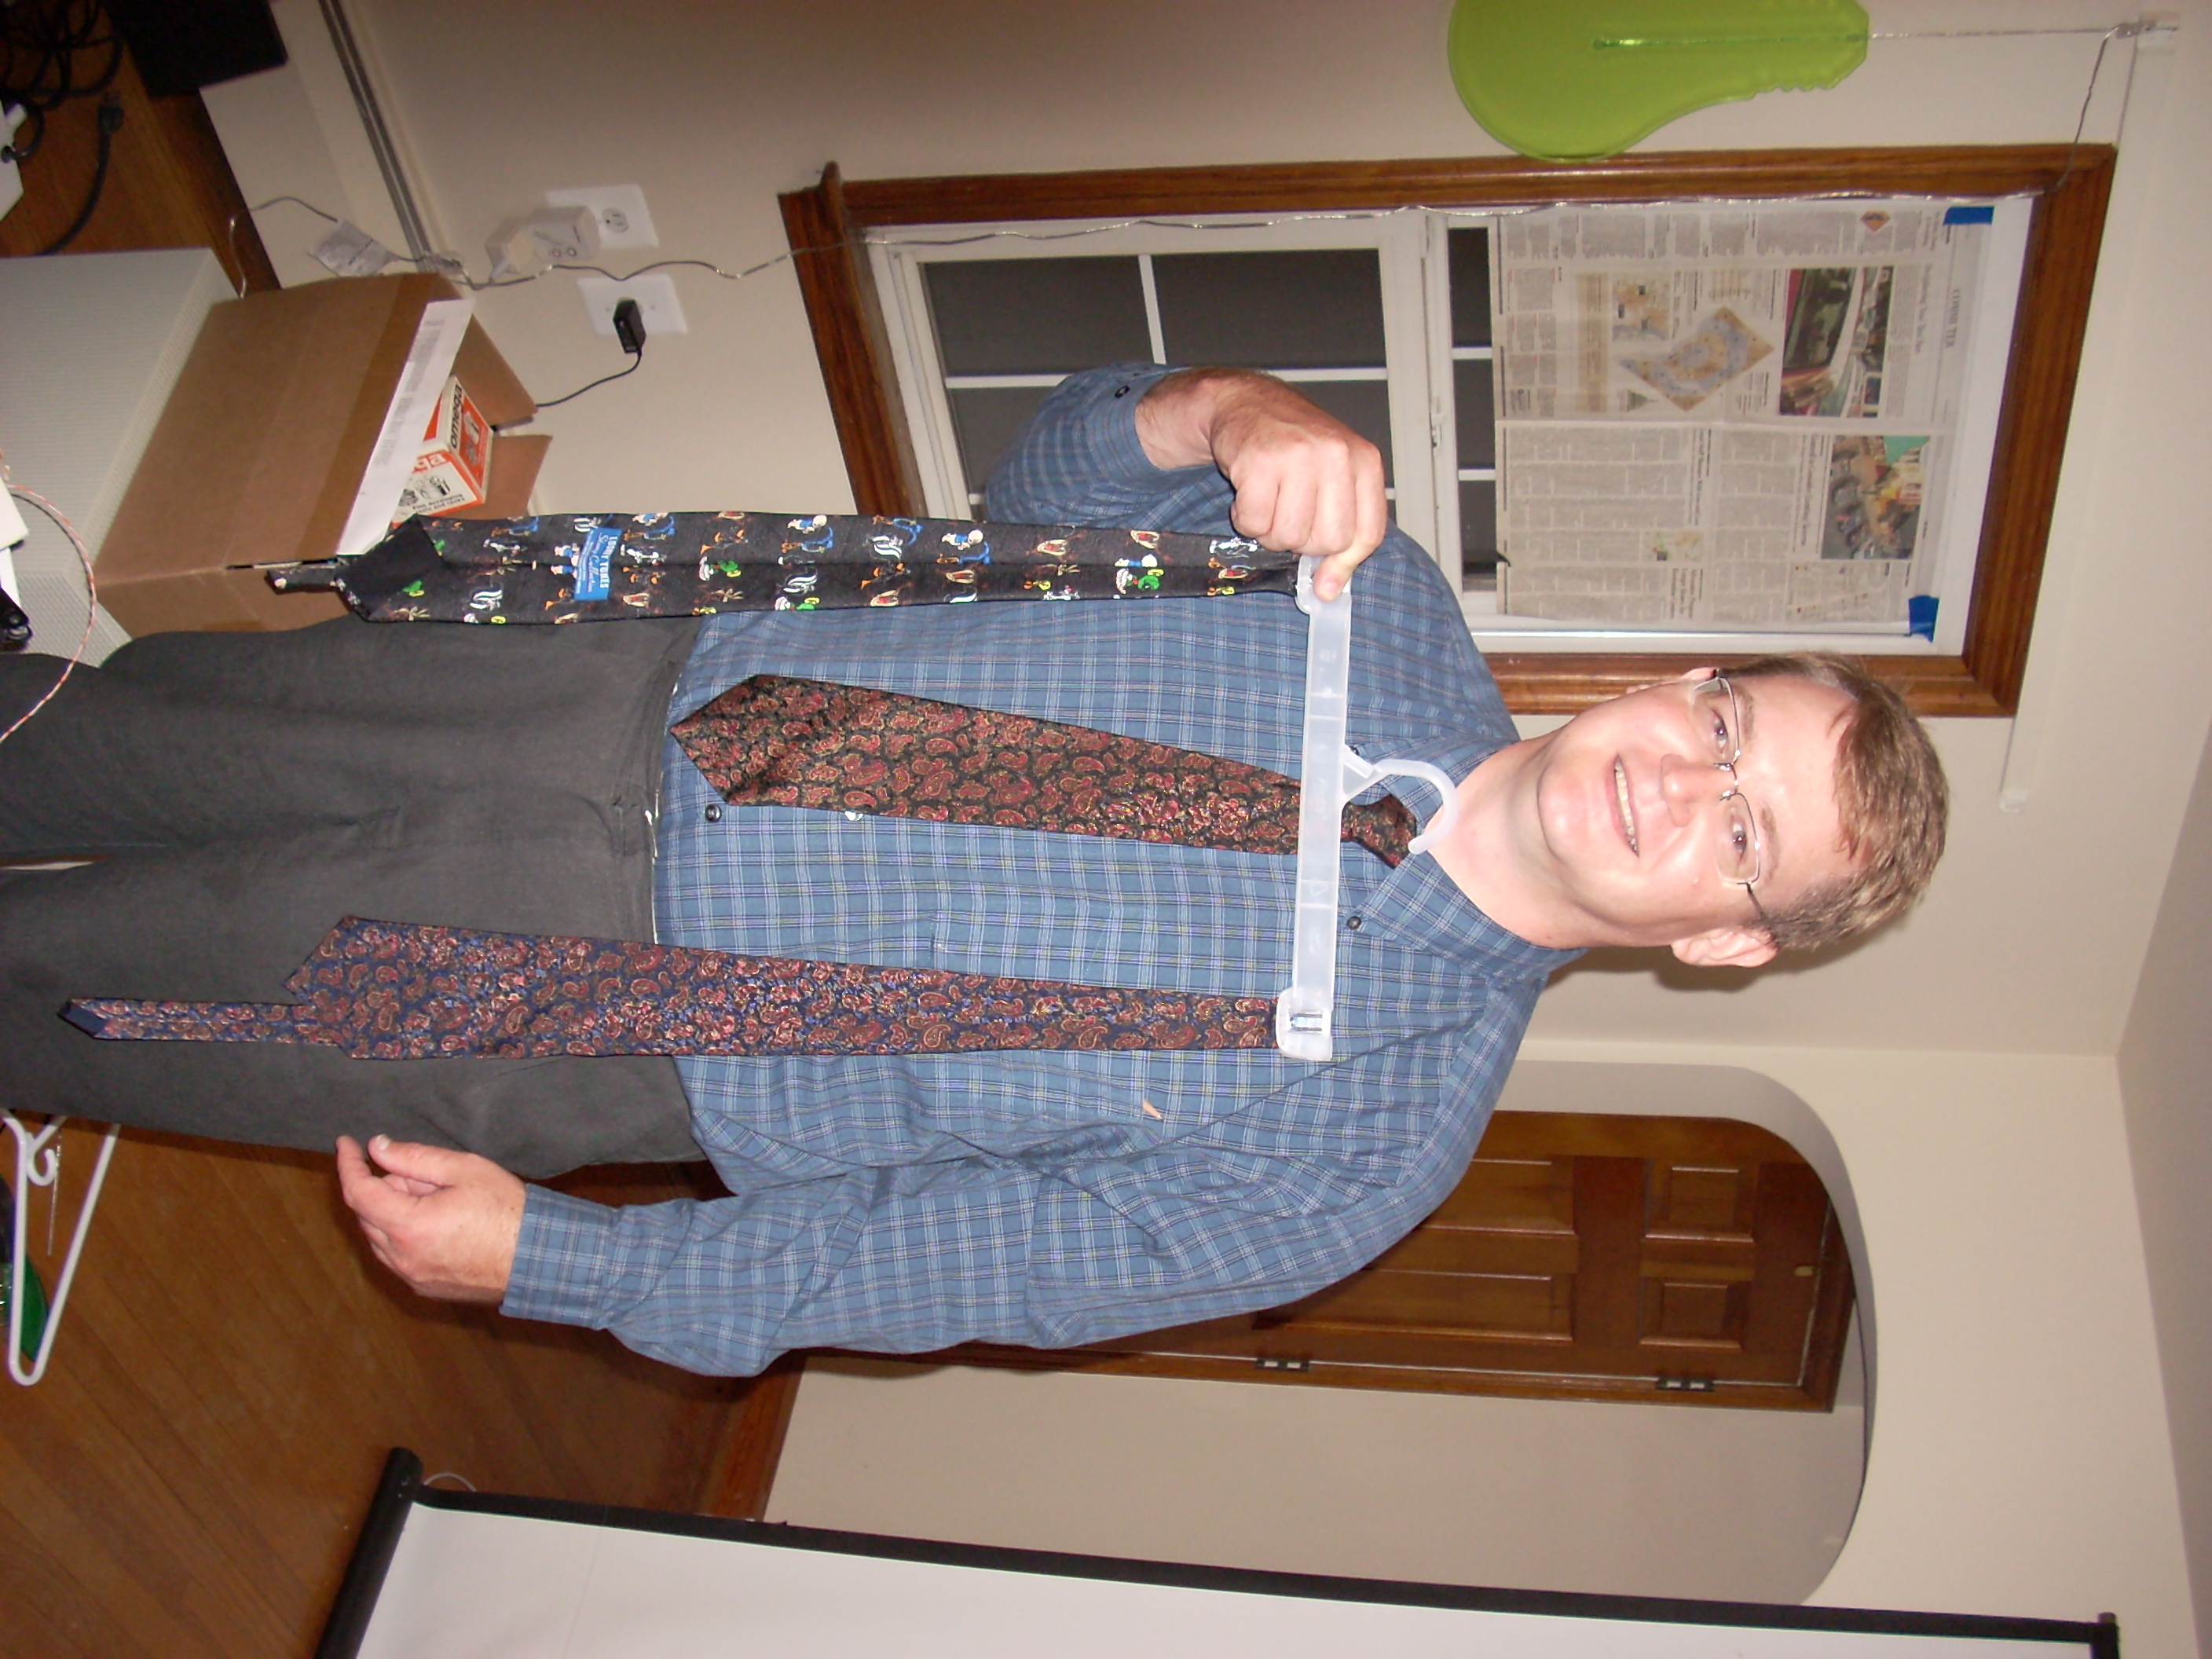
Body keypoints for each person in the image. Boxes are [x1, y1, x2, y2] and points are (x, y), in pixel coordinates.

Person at [0, 364, 1946, 1375]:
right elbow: (1037, 501)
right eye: (1722, 721)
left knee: (91, 984)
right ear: (1677, 678)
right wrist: (1215, 411)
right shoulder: (1372, 577)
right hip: (607, 688)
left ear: (1725, 942)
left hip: (597, 1009)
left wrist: (569, 1262)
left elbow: (933, 1260)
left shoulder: (1364, 1153)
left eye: (1744, 830)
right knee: (102, 729)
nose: (1680, 782)